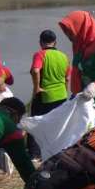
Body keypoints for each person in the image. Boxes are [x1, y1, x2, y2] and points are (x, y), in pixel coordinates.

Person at [27, 29, 71, 159]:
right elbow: (67, 78)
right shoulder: (64, 56)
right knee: (57, 125)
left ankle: (34, 155)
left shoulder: (40, 54)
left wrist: (37, 87)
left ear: (41, 42)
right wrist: (65, 91)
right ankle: (57, 152)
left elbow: (36, 70)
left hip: (45, 96)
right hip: (61, 96)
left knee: (34, 124)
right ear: (55, 42)